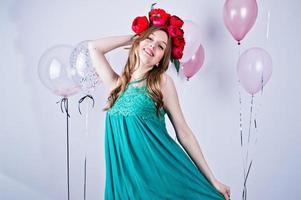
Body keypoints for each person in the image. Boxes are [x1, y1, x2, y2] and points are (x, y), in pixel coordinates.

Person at [88, 6, 230, 200]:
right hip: (124, 185)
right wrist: (136, 38)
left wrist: (213, 180)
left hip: (158, 180)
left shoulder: (162, 83)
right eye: (150, 39)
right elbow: (94, 48)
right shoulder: (116, 86)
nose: (153, 46)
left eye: (161, 46)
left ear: (160, 59)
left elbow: (184, 132)